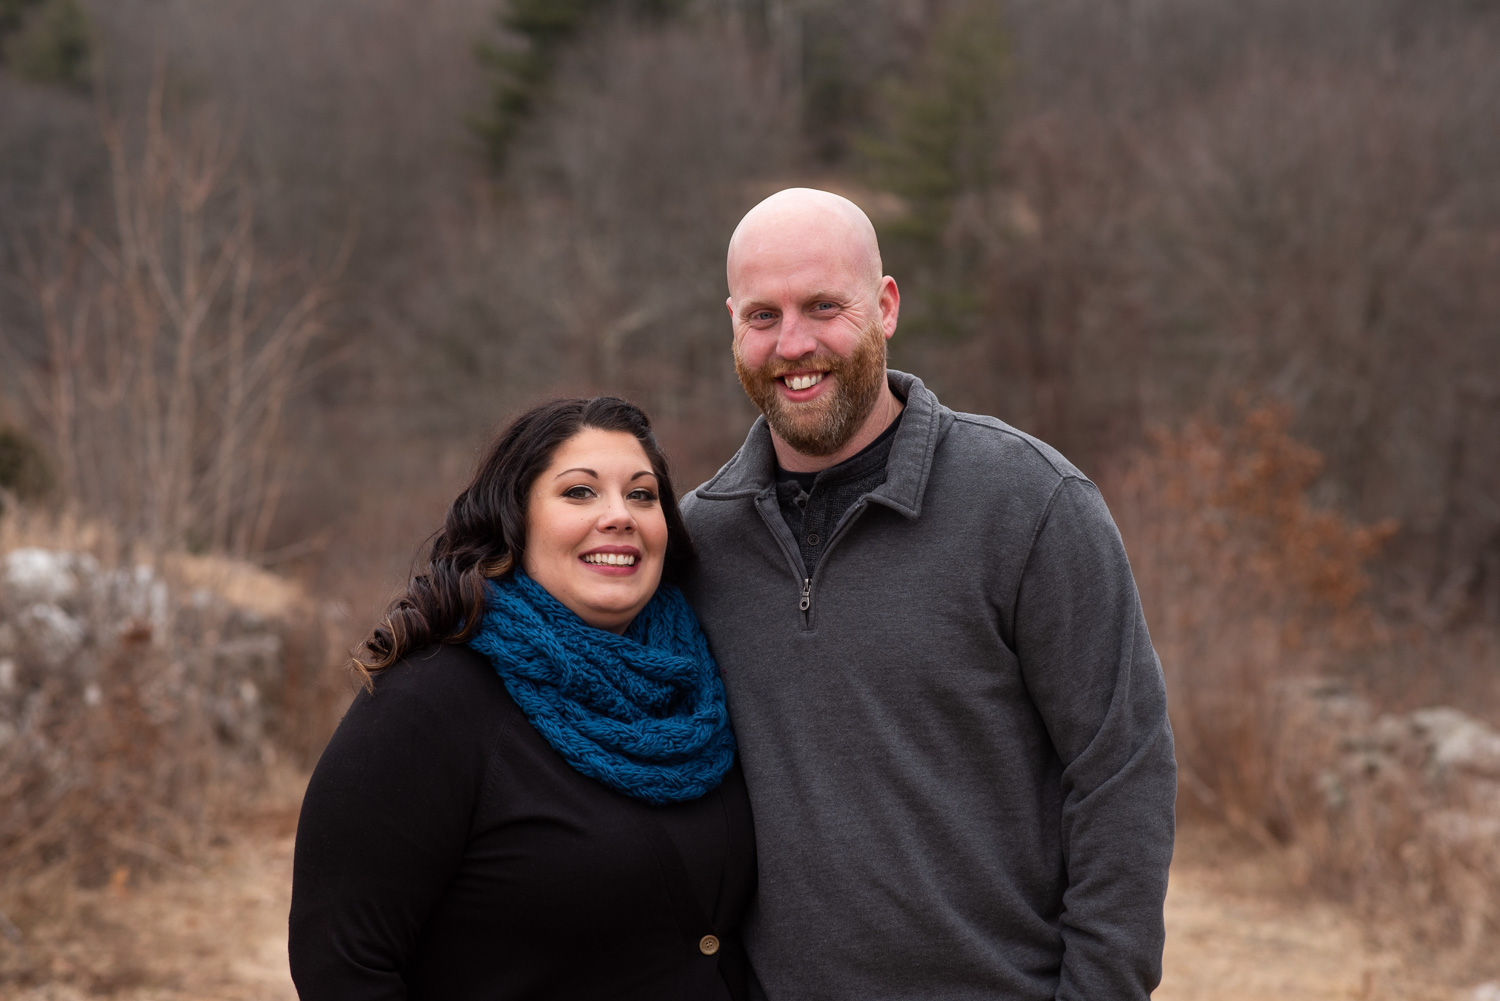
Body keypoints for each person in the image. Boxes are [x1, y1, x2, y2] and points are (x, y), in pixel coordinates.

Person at [679, 188, 1177, 1000]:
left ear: (886, 306)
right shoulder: (698, 542)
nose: (792, 343)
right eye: (762, 315)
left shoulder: (1030, 503)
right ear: (731, 323)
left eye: (823, 306)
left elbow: (1122, 769)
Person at [289, 397, 755, 1000]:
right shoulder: (427, 704)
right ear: (515, 520)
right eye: (579, 493)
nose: (620, 516)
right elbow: (342, 965)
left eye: (642, 495)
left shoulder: (699, 688)